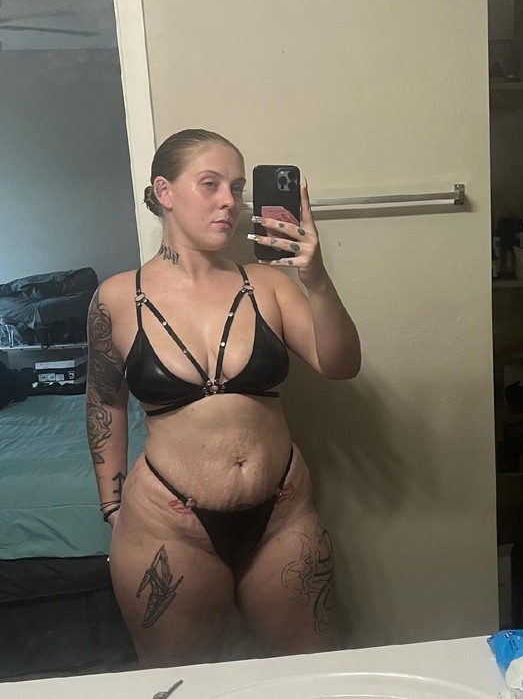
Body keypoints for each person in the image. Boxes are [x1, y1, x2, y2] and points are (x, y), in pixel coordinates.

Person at [85, 129, 360, 668]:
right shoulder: (116, 297)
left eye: (236, 187)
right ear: (164, 191)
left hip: (283, 518)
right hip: (167, 526)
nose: (229, 201)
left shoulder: (268, 283)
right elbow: (103, 404)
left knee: (312, 673)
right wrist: (111, 507)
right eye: (210, 184)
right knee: (183, 681)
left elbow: (340, 365)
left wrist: (317, 278)